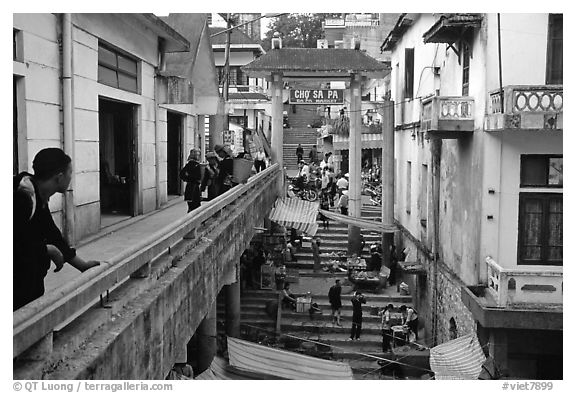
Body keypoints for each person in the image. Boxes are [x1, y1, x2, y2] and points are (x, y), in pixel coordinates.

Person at [13, 148, 101, 311]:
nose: (71, 178)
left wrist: (82, 266)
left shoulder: (37, 194)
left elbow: (52, 235)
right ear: (59, 177)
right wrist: (46, 250)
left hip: (30, 281)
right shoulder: (22, 198)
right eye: (70, 173)